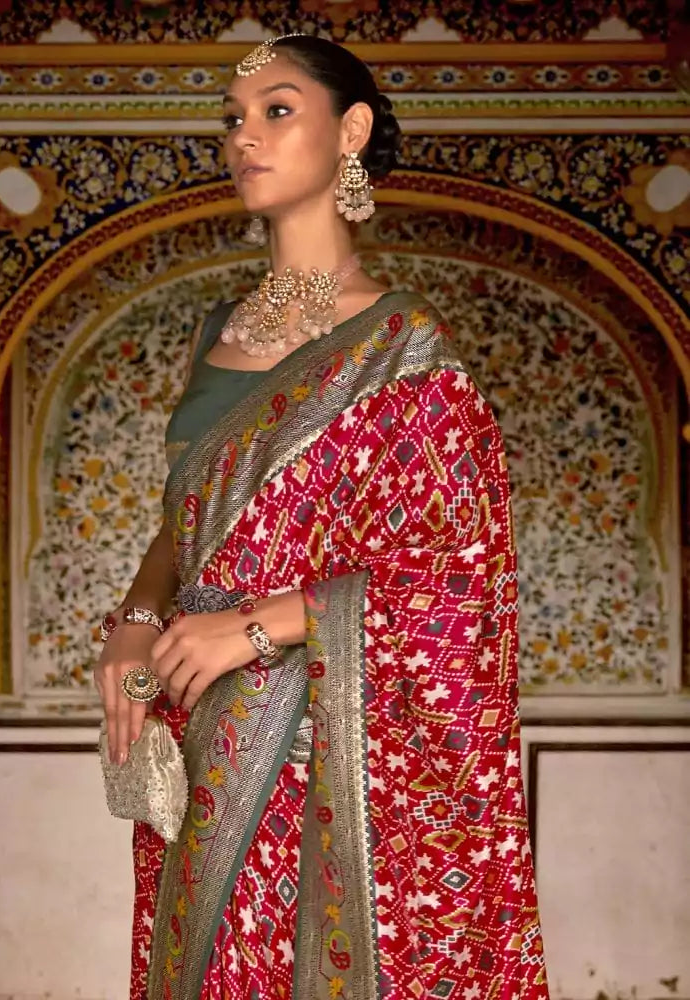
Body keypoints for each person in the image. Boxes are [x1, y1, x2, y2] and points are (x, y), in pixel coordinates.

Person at [93, 34, 549, 1000]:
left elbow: (458, 576)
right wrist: (132, 630)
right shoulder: (218, 334)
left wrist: (253, 628)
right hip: (196, 718)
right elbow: (186, 525)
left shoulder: (403, 346)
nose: (242, 137)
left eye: (276, 110)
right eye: (231, 118)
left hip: (323, 744)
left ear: (351, 131)